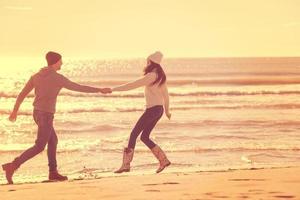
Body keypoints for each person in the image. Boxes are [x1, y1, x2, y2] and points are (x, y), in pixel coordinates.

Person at [2, 51, 111, 184]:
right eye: (60, 61)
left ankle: (53, 172)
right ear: (55, 62)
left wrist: (14, 111)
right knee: (40, 146)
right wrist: (99, 90)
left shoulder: (36, 76)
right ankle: (12, 166)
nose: (62, 63)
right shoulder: (57, 78)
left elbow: (22, 94)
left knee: (53, 140)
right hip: (46, 115)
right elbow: (78, 87)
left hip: (37, 113)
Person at [111, 51, 171, 174]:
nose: (146, 63)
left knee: (134, 134)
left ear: (151, 62)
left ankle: (126, 165)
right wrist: (167, 111)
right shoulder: (160, 76)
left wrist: (113, 89)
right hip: (158, 110)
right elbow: (166, 95)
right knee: (144, 137)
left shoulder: (151, 76)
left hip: (152, 110)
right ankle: (163, 160)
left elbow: (132, 85)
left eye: (147, 61)